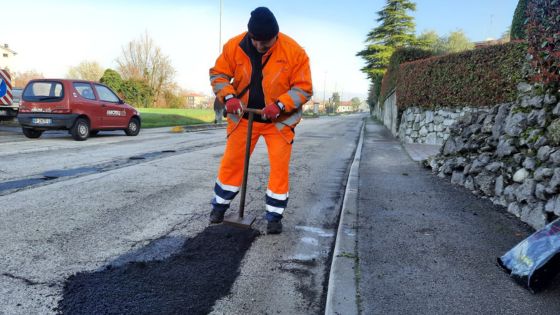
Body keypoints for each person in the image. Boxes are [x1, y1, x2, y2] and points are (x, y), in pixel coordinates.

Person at [208, 7, 313, 234]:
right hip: (243, 118)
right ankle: (219, 207)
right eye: (256, 41)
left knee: (278, 168)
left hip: (278, 122)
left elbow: (304, 88)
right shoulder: (234, 46)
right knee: (231, 163)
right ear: (250, 35)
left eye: (266, 43)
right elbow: (218, 74)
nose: (260, 47)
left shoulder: (294, 52)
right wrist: (229, 96)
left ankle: (274, 217)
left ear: (276, 35)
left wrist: (280, 105)